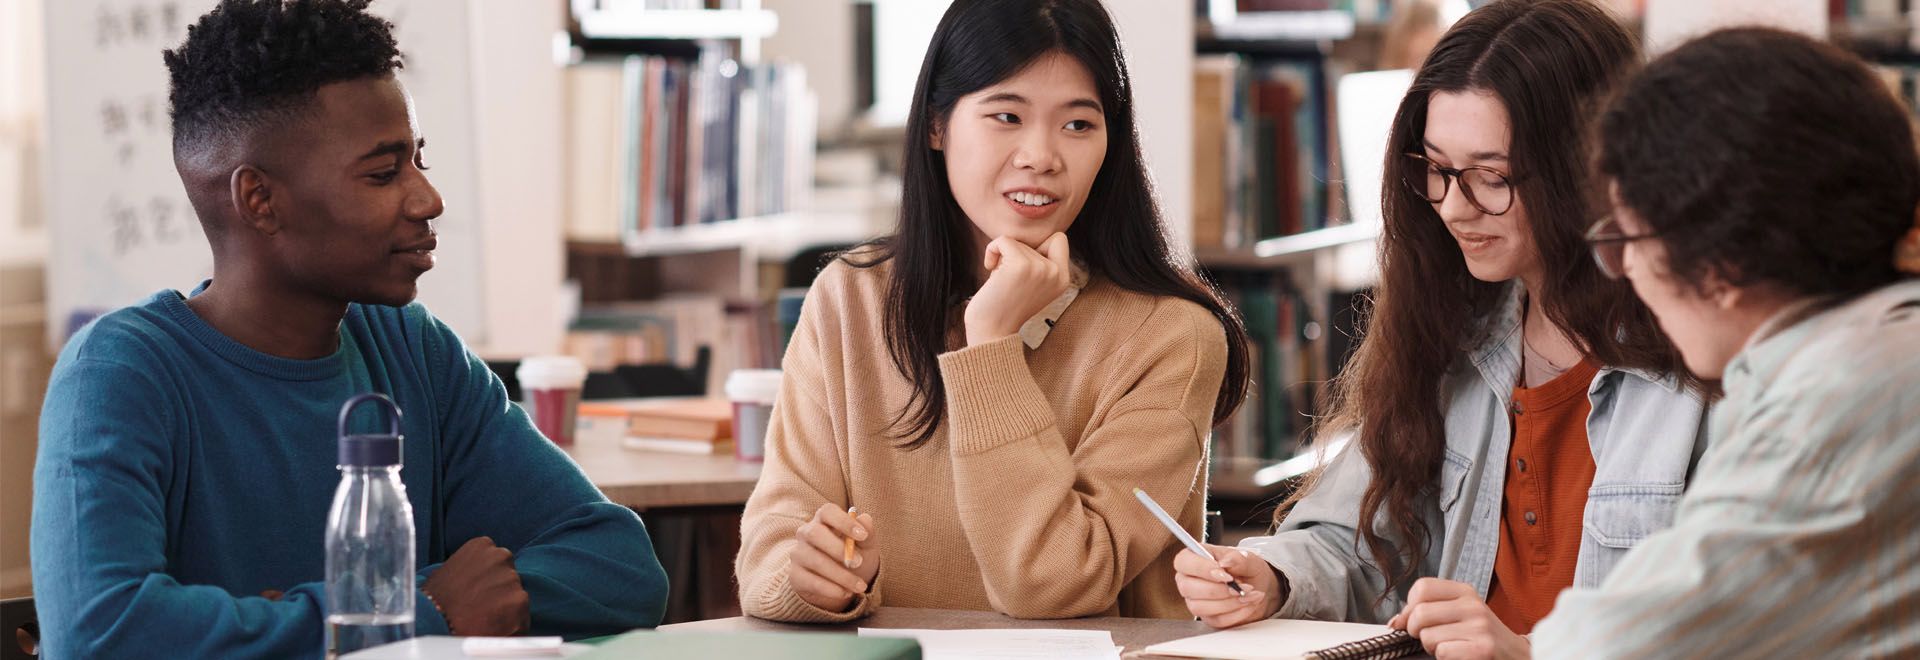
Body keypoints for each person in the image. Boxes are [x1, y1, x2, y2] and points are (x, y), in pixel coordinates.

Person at [29, 1, 667, 656]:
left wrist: (302, 621)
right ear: (260, 200)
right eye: (383, 173)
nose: (428, 200)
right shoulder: (119, 373)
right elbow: (99, 635)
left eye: (419, 160)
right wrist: (416, 610)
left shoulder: (416, 352)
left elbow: (619, 565)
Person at [1174, 0, 1709, 655]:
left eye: (1493, 177)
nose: (1455, 207)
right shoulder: (1452, 330)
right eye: (1435, 168)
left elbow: (1750, 627)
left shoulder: (1704, 363)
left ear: (1588, 170)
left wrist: (1529, 652)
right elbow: (1356, 541)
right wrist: (1273, 578)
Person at [733, 0, 1253, 622]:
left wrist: (990, 349)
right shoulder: (850, 298)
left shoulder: (1172, 335)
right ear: (936, 125)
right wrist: (809, 576)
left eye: (1079, 125)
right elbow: (769, 549)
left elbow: (1052, 585)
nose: (1041, 156)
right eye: (1007, 115)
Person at [1530, 27, 1920, 658]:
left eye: (1628, 237)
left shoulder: (1835, 402)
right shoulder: (1869, 351)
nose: (1625, 268)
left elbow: (1612, 647)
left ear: (1719, 262)